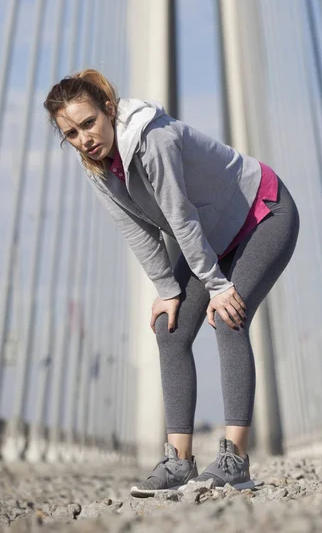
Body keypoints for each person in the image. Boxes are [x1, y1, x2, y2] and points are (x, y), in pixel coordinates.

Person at [44, 69, 300, 496]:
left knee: (229, 316)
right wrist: (168, 291)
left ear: (109, 109)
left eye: (88, 123)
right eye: (70, 133)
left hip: (263, 212)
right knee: (171, 328)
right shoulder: (98, 164)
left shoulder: (153, 141)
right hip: (214, 237)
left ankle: (236, 460)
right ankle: (178, 463)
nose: (83, 138)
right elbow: (136, 231)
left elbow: (180, 219)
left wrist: (218, 288)